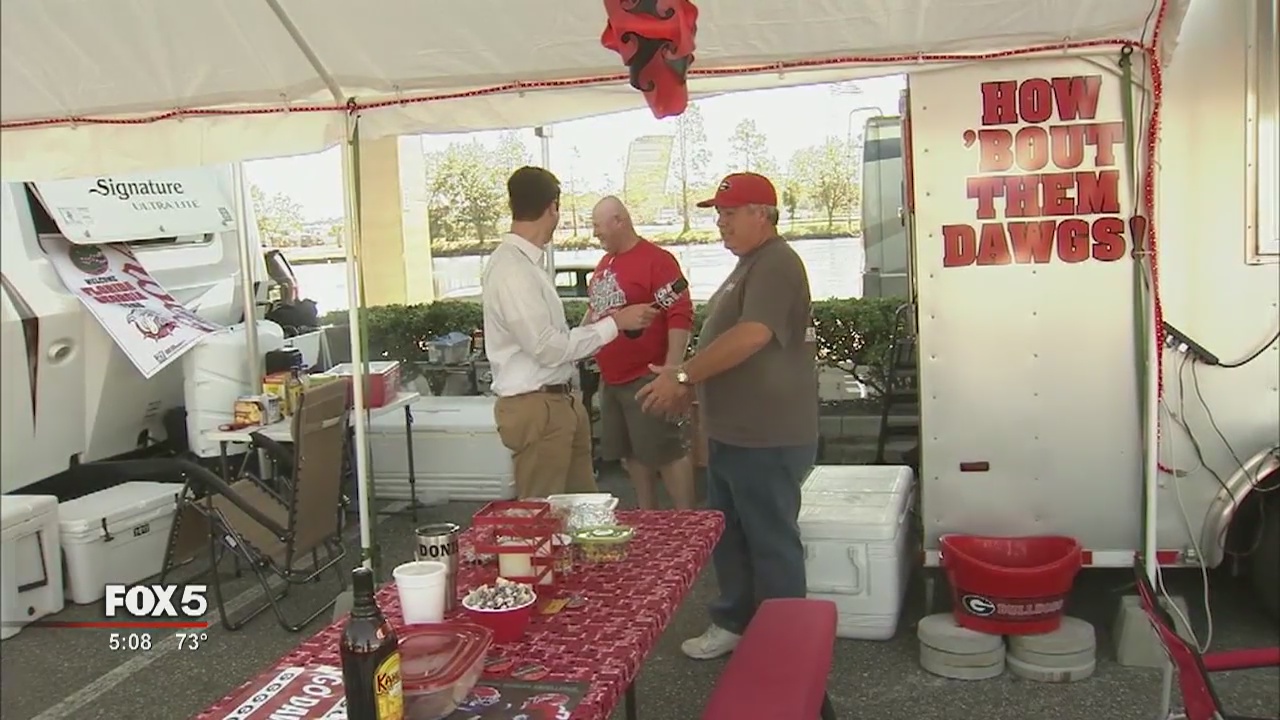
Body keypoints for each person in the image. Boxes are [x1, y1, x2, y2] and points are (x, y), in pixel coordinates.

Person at [636, 172, 819, 660]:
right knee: (731, 534)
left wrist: (682, 376)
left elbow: (752, 334)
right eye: (719, 214)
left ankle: (785, 645)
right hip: (734, 435)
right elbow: (729, 343)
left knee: (772, 542)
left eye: (730, 214)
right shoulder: (749, 264)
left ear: (763, 214)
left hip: (767, 436)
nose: (721, 224)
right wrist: (689, 387)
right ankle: (735, 621)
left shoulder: (778, 262)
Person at [482, 167, 658, 499]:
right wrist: (615, 324)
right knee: (543, 516)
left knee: (581, 509)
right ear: (553, 207)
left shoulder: (524, 265)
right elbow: (546, 348)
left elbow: (550, 342)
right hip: (537, 407)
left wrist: (594, 325)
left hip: (557, 402)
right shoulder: (513, 270)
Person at [584, 196, 697, 510]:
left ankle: (688, 524)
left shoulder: (657, 260)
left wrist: (672, 369)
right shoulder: (605, 264)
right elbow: (595, 311)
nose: (595, 233)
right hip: (613, 380)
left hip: (647, 377)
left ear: (619, 220)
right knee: (632, 453)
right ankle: (648, 518)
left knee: (667, 452)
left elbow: (681, 313)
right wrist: (574, 344)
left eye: (597, 225)